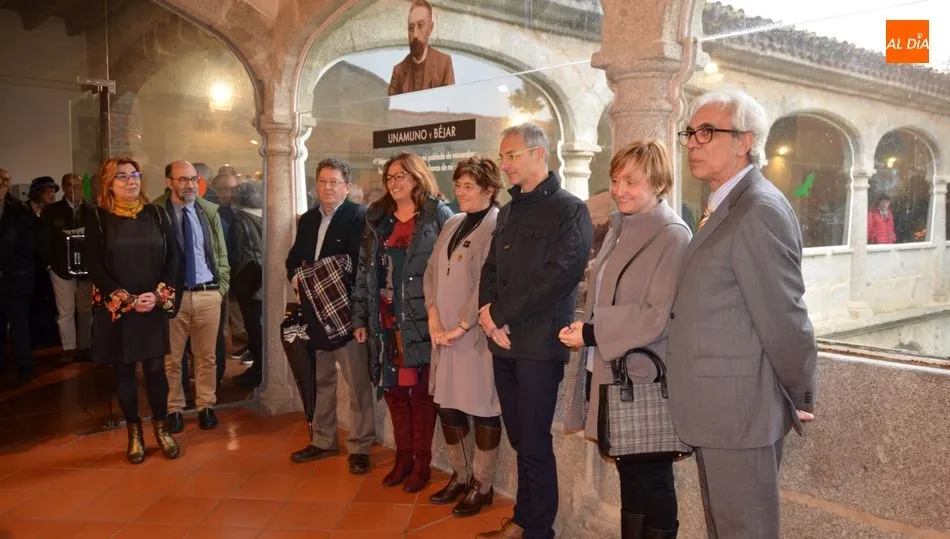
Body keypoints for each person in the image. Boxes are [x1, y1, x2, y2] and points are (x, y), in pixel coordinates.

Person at [668, 88, 818, 538]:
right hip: (719, 411)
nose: (692, 142)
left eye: (706, 132)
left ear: (744, 141)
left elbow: (785, 316)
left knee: (744, 530)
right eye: (690, 132)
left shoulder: (758, 209)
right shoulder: (726, 205)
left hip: (740, 414)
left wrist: (800, 392)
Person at [561, 141, 691, 539]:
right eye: (616, 180)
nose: (619, 190)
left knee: (652, 475)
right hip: (615, 372)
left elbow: (658, 312)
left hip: (643, 377)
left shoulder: (671, 235)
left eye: (631, 181)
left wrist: (592, 332)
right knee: (631, 472)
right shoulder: (622, 227)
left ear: (658, 182)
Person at [476, 124, 593, 539]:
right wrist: (486, 315)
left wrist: (500, 313)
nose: (503, 164)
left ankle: (538, 529)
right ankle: (525, 519)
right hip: (503, 341)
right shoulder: (508, 211)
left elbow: (560, 276)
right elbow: (490, 269)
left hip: (539, 346)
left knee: (535, 441)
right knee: (521, 439)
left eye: (511, 155)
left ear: (539, 155)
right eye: (502, 155)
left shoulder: (570, 210)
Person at [352, 152, 453, 493]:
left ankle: (422, 465)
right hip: (386, 321)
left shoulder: (437, 215)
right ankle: (403, 458)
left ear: (417, 177)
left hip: (424, 322)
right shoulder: (378, 220)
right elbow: (365, 273)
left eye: (401, 176)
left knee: (422, 395)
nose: (394, 183)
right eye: (390, 177)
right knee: (395, 392)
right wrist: (361, 316)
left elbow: (450, 272)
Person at [83, 157, 180, 464]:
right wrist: (126, 298)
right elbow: (94, 265)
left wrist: (157, 294)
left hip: (151, 304)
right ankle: (134, 434)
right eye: (121, 176)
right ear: (108, 183)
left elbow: (174, 257)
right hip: (119, 309)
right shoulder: (98, 218)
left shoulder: (156, 214)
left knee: (155, 370)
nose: (130, 181)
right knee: (124, 370)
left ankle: (162, 429)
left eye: (134, 175)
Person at [284, 158, 376, 475]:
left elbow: (353, 264)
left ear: (346, 187)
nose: (327, 187)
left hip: (346, 315)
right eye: (323, 181)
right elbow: (295, 258)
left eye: (334, 182)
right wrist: (297, 277)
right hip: (314, 314)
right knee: (322, 379)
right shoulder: (308, 220)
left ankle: (360, 446)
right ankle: (323, 441)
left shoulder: (358, 217)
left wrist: (310, 276)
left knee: (357, 383)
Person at [423, 157, 503, 517]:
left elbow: (490, 280)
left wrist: (460, 326)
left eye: (469, 186)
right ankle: (460, 474)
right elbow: (431, 272)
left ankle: (482, 485)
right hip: (443, 337)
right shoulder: (452, 222)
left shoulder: (497, 224)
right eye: (457, 185)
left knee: (483, 409)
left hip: (473, 338)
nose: (461, 192)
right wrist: (434, 318)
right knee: (448, 406)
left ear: (489, 189)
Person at [154, 160, 230, 433]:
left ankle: (206, 405)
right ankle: (174, 408)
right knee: (172, 358)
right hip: (174, 297)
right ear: (169, 182)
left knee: (207, 357)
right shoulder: (156, 213)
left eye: (192, 179)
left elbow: (221, 253)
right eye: (182, 179)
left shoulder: (208, 213)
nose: (189, 185)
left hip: (208, 293)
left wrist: (220, 288)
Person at [39, 173, 94, 362]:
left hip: (87, 270)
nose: (74, 190)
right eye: (69, 186)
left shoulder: (91, 210)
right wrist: (49, 265)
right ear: (64, 188)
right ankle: (69, 348)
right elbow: (44, 241)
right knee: (66, 310)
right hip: (60, 269)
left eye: (77, 186)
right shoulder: (51, 212)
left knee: (86, 310)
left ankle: (86, 346)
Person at [0, 168, 37, 382]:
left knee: (20, 325)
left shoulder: (20, 211)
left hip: (15, 279)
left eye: (5, 181)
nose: (2, 185)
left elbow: (28, 247)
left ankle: (25, 365)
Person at [229, 181, 264, 389]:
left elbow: (239, 253)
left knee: (254, 326)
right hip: (263, 278)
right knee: (259, 326)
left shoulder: (239, 219)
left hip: (248, 281)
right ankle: (260, 368)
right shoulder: (267, 215)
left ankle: (258, 370)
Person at [388, 0, 455, 96]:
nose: (415, 35)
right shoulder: (398, 72)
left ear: (430, 28)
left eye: (420, 25)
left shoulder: (444, 64)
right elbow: (390, 109)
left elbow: (449, 106)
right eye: (411, 28)